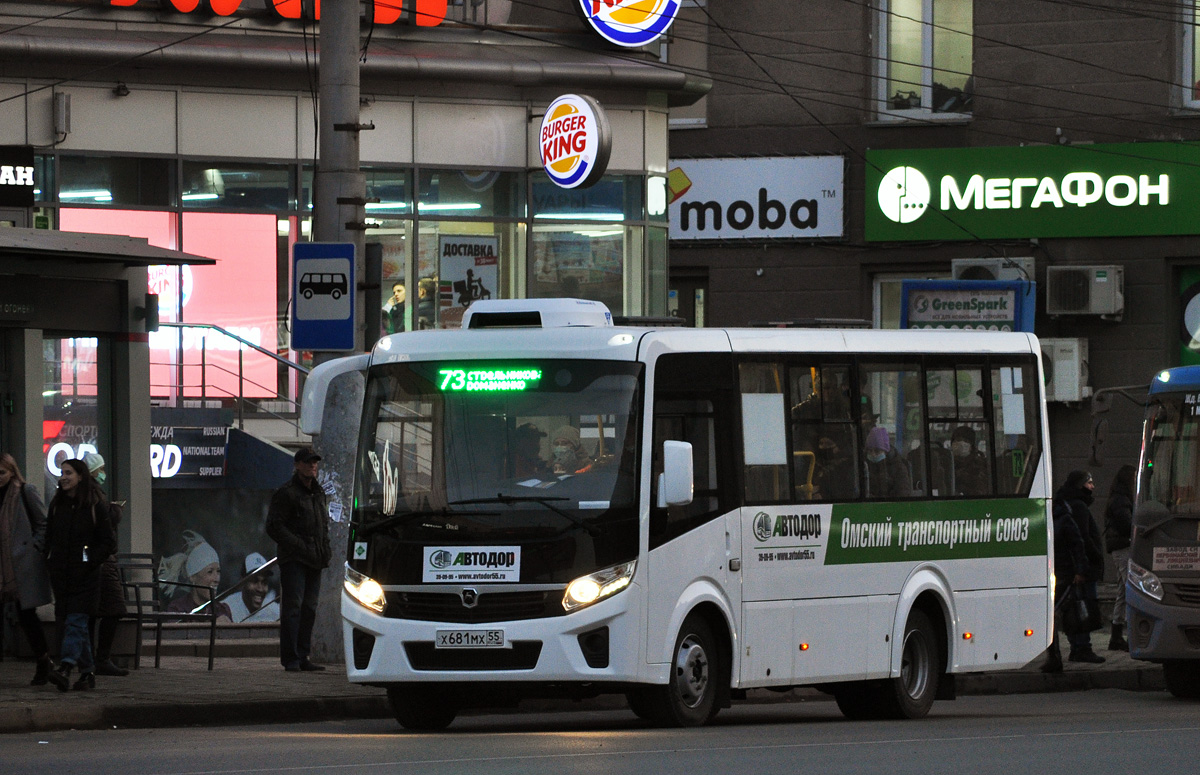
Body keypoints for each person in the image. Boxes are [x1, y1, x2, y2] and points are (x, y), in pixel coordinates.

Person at [44, 458, 116, 692]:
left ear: (81, 476)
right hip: (61, 575)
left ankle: (65, 667)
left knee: (76, 621)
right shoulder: (57, 505)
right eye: (62, 472)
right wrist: (49, 560)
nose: (63, 477)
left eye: (69, 473)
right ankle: (87, 673)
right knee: (75, 626)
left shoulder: (94, 505)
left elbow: (108, 543)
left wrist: (88, 561)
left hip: (85, 577)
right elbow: (49, 537)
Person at [266, 446, 331, 672]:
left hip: (315, 558)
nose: (312, 466)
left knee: (309, 609)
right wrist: (299, 545)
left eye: (314, 462)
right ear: (297, 465)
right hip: (294, 559)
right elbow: (274, 527)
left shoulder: (318, 492)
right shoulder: (286, 493)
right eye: (307, 462)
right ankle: (291, 658)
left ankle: (303, 656)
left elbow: (322, 524)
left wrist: (325, 549)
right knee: (293, 608)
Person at [0, 453, 55, 686]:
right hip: (2, 564)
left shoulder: (25, 491)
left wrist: (34, 549)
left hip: (20, 564)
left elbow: (43, 523)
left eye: (2, 472)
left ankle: (43, 660)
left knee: (26, 616)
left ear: (12, 471)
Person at [81, 452, 129, 677]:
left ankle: (91, 659)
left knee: (93, 611)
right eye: (100, 470)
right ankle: (100, 659)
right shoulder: (92, 493)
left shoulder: (88, 492)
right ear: (93, 471)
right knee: (114, 607)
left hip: (94, 559)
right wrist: (116, 512)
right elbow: (102, 524)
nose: (103, 474)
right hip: (102, 560)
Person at [1055, 470, 1106, 664]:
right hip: (1082, 566)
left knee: (1075, 607)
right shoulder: (1078, 507)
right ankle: (1082, 647)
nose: (1092, 486)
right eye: (1089, 483)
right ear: (1079, 485)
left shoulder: (1067, 504)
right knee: (1083, 607)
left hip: (1071, 566)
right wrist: (1092, 560)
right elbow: (1081, 538)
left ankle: (1077, 647)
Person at [1043, 485, 1088, 673]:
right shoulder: (1049, 519)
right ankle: (1054, 656)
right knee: (1051, 615)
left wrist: (1079, 571)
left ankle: (1057, 657)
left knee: (1052, 615)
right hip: (1054, 573)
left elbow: (1077, 545)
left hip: (1066, 575)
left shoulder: (1064, 520)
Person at [161, 531, 233, 622]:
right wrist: (213, 626)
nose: (217, 579)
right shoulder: (178, 609)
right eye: (210, 572)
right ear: (192, 577)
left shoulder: (222, 609)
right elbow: (178, 634)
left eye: (218, 571)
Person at [1104, 464, 1136, 651]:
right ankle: (1127, 634)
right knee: (1130, 589)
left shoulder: (1118, 497)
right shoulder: (1121, 499)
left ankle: (1116, 636)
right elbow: (1126, 523)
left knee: (1123, 592)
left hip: (1119, 546)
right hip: (1122, 547)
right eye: (1133, 478)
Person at [227, 552, 280, 623]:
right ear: (242, 582)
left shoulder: (275, 611)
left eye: (264, 582)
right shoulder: (227, 608)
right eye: (254, 581)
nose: (260, 589)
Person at [863, 426, 912, 498]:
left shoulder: (898, 467)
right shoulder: (863, 466)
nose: (873, 454)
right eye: (870, 451)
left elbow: (903, 493)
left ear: (886, 452)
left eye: (877, 451)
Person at [813, 434, 857, 500]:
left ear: (838, 447)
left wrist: (823, 496)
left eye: (828, 443)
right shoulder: (813, 464)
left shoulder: (848, 468)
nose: (824, 447)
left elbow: (848, 493)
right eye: (821, 443)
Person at [950, 425, 989, 495]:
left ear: (971, 446)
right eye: (958, 440)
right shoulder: (946, 463)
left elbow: (981, 491)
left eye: (965, 441)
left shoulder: (979, 465)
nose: (961, 444)